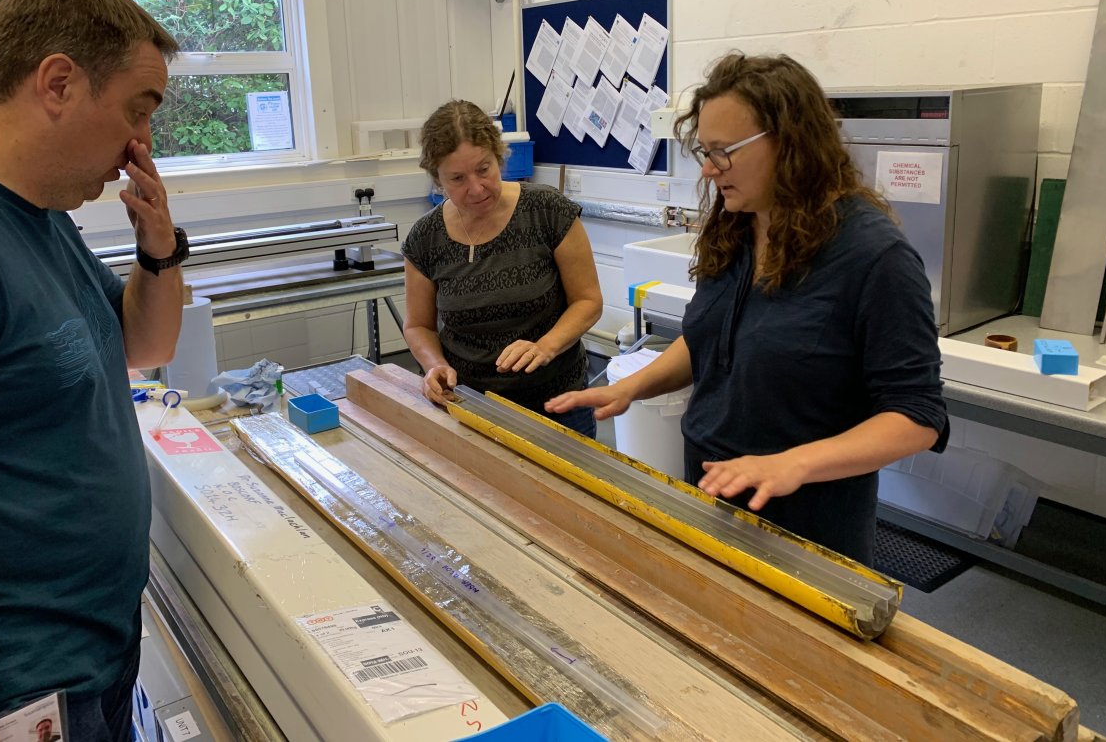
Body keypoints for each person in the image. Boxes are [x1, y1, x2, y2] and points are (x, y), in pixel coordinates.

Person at [547, 52, 948, 565]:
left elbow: (917, 416)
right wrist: (630, 387)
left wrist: (793, 465)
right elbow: (714, 339)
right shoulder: (735, 226)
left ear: (790, 141)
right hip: (713, 488)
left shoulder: (874, 257)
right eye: (705, 152)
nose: (710, 170)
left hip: (810, 520)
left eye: (724, 152)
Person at [0, 0, 185, 740]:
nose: (140, 144)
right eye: (136, 111)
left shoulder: (38, 214)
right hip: (13, 686)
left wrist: (159, 246)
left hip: (90, 656)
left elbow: (145, 344)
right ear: (59, 83)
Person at [402, 99, 603, 437]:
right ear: (437, 179)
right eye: (457, 179)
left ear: (499, 155)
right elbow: (418, 325)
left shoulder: (547, 211)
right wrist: (434, 365)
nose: (477, 188)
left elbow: (588, 301)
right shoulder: (425, 238)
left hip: (558, 404)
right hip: (471, 405)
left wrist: (546, 346)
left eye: (484, 169)